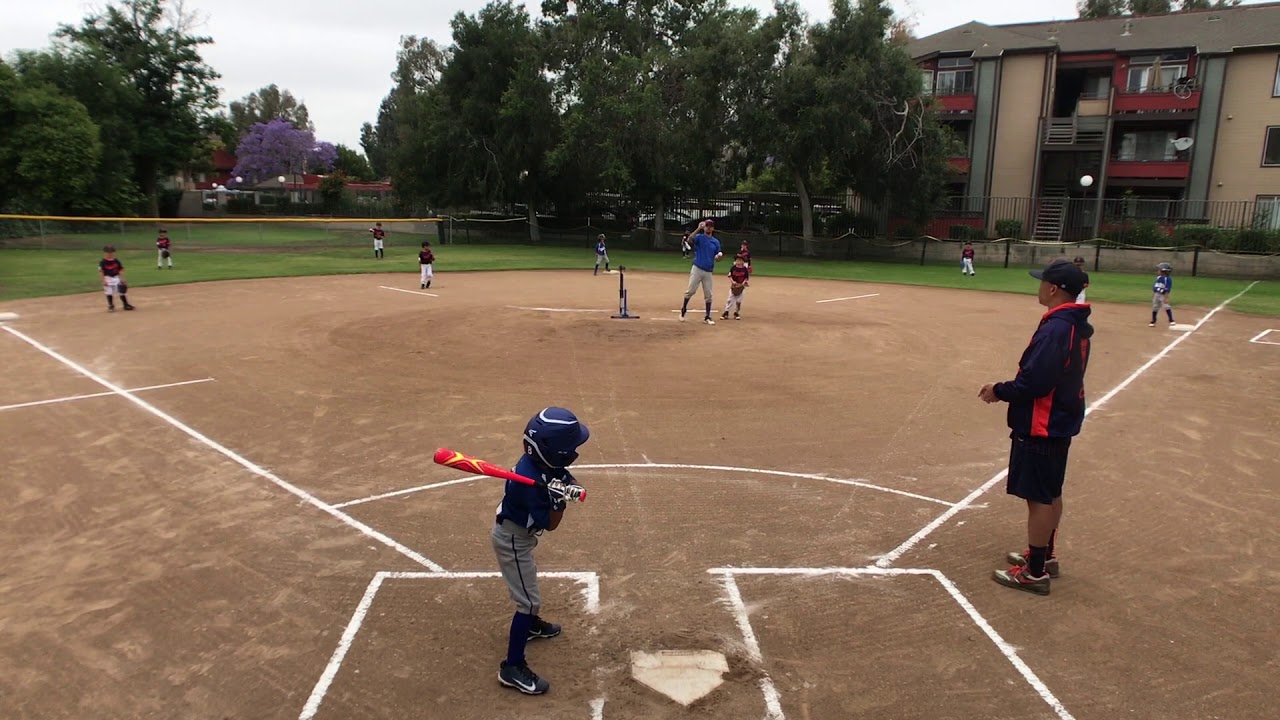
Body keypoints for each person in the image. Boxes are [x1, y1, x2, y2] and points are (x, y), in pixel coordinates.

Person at [979, 258, 1093, 596]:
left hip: (1043, 423)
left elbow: (1035, 382)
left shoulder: (1058, 328)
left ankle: (1035, 573)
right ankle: (1044, 556)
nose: (1039, 285)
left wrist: (998, 391)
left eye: (1043, 281)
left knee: (1039, 498)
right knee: (1051, 491)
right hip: (1059, 419)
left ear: (1054, 289)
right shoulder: (1072, 323)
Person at [492, 407, 590, 695]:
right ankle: (512, 668)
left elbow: (561, 474)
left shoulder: (541, 465)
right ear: (554, 451)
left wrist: (567, 485)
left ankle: (531, 626)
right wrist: (558, 502)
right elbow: (551, 524)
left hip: (521, 537)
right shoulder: (527, 483)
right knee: (528, 601)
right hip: (512, 541)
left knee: (529, 584)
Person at [679, 220, 723, 325]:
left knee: (708, 294)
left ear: (713, 228)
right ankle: (683, 311)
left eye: (710, 226)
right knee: (690, 291)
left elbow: (718, 256)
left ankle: (707, 317)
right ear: (704, 227)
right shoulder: (699, 237)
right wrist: (698, 228)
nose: (708, 228)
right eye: (707, 226)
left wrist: (718, 257)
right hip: (697, 268)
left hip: (708, 271)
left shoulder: (715, 242)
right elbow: (689, 240)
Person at [99, 245, 135, 312]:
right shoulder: (102, 262)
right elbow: (101, 272)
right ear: (105, 253)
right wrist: (103, 280)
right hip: (107, 278)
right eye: (108, 252)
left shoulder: (116, 261)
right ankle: (111, 306)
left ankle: (126, 305)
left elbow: (120, 270)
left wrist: (122, 279)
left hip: (116, 278)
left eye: (111, 252)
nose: (110, 253)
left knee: (121, 291)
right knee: (109, 292)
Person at [721, 255, 751, 321]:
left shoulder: (744, 269)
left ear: (743, 261)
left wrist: (743, 283)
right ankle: (726, 312)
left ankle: (736, 313)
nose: (738, 262)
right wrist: (733, 282)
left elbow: (746, 278)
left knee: (738, 301)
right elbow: (729, 275)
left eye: (740, 260)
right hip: (734, 286)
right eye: (737, 260)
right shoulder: (733, 268)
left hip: (741, 287)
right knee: (730, 299)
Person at [1151, 262, 1174, 327]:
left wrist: (1166, 297)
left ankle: (1171, 320)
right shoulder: (1158, 278)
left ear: (1164, 271)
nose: (1158, 271)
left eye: (1159, 270)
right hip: (1156, 294)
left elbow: (1167, 288)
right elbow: (1155, 286)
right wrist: (1153, 293)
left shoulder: (1168, 279)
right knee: (1155, 307)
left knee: (1166, 306)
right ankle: (1153, 320)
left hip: (1163, 295)